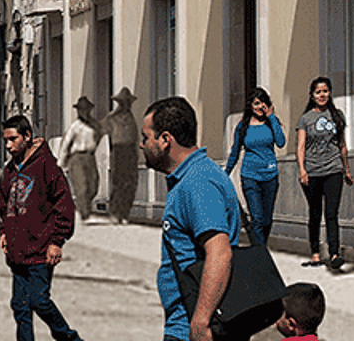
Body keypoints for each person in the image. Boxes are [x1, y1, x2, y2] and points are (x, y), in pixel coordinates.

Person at [142, 96, 243, 341]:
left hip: (190, 329)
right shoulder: (194, 178)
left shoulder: (198, 183)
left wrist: (200, 322)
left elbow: (219, 252)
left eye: (146, 137)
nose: (142, 145)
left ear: (166, 140)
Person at [0, 114, 83, 341]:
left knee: (39, 301)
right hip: (17, 250)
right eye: (5, 140)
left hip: (41, 249)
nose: (8, 145)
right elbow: (4, 204)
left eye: (13, 139)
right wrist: (3, 232)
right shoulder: (9, 171)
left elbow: (64, 204)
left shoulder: (46, 166)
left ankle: (69, 338)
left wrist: (57, 241)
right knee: (20, 307)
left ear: (27, 137)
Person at [294, 76, 352, 272]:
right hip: (312, 172)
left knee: (332, 213)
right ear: (312, 95)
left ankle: (334, 253)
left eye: (325, 91)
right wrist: (302, 170)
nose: (322, 95)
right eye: (318, 92)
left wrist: (346, 169)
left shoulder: (337, 115)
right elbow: (301, 146)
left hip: (333, 169)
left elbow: (342, 145)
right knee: (315, 213)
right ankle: (315, 253)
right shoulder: (305, 119)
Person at [223, 86, 285, 248]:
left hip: (270, 176)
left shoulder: (272, 123)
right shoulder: (242, 126)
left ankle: (259, 249)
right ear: (250, 105)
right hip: (250, 176)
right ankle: (260, 253)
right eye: (256, 103)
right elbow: (235, 153)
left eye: (262, 103)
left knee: (266, 220)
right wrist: (225, 174)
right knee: (257, 219)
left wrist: (271, 117)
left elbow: (281, 142)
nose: (259, 107)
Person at [59, 97, 101, 226]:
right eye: (81, 110)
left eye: (86, 109)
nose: (84, 112)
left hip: (90, 157)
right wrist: (61, 163)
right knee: (81, 186)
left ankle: (85, 206)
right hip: (76, 157)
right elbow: (66, 143)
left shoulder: (94, 125)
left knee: (93, 185)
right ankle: (85, 214)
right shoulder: (75, 127)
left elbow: (98, 137)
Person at [103, 88, 140, 223]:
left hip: (130, 151)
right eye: (124, 102)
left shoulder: (131, 118)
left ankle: (124, 213)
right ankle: (115, 213)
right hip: (118, 151)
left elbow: (135, 136)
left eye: (128, 102)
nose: (127, 104)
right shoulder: (112, 117)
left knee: (130, 183)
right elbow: (105, 133)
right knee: (118, 182)